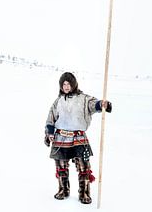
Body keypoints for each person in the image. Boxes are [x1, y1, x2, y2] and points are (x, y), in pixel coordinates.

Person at [44, 72, 112, 204]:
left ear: (73, 84)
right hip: (61, 138)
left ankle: (84, 193)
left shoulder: (84, 99)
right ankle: (63, 190)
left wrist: (102, 105)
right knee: (61, 167)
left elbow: (94, 105)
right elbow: (50, 119)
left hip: (78, 138)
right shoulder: (57, 101)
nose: (66, 87)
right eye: (64, 84)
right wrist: (50, 132)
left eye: (68, 84)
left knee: (84, 167)